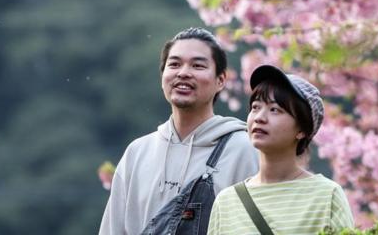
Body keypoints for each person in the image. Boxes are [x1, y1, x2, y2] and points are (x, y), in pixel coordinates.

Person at [99, 27, 259, 235]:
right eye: (174, 64)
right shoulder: (137, 152)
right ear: (163, 76)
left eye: (197, 65)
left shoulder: (244, 150)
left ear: (221, 80)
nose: (183, 72)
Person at [208, 64, 354, 234]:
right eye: (255, 107)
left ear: (301, 130)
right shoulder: (226, 202)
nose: (260, 118)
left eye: (275, 110)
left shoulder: (327, 196)